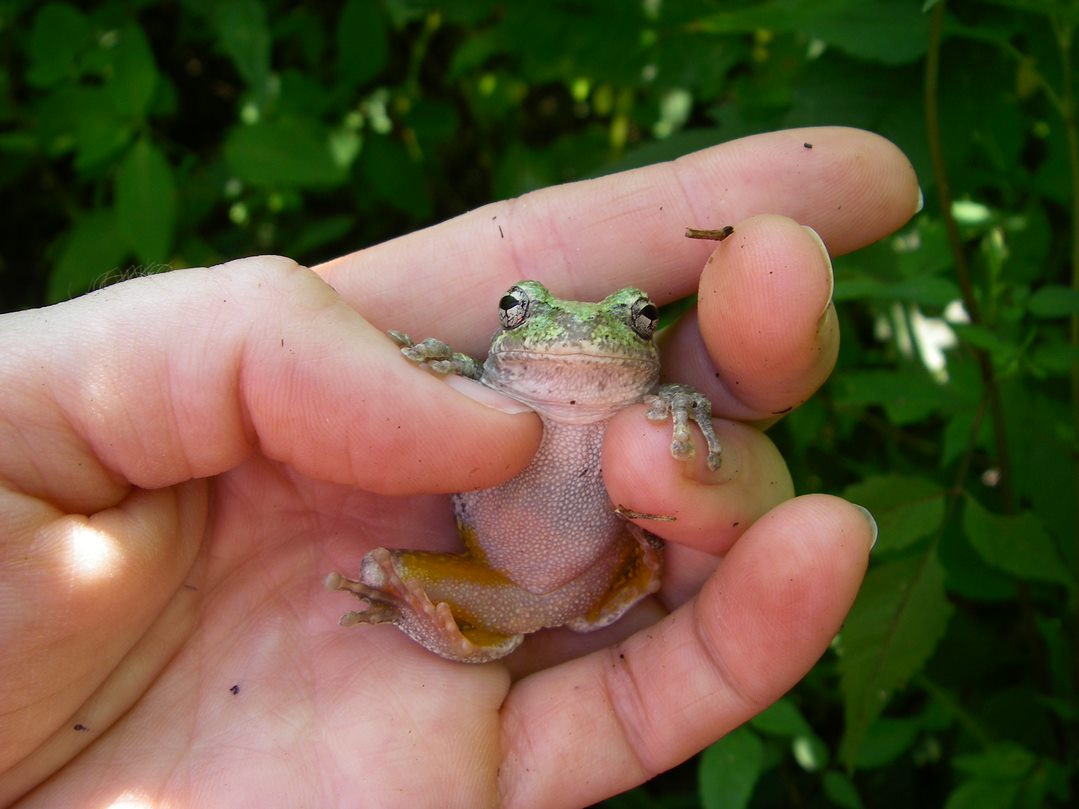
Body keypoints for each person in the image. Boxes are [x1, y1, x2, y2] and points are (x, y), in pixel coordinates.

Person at [0, 127, 914, 808]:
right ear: (507, 329)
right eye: (523, 310)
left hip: (602, 580)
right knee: (408, 547)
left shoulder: (645, 402)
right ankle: (405, 596)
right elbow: (444, 383)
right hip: (492, 590)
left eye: (637, 318)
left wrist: (678, 403)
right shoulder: (486, 391)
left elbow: (659, 401)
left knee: (674, 466)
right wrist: (429, 367)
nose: (578, 335)